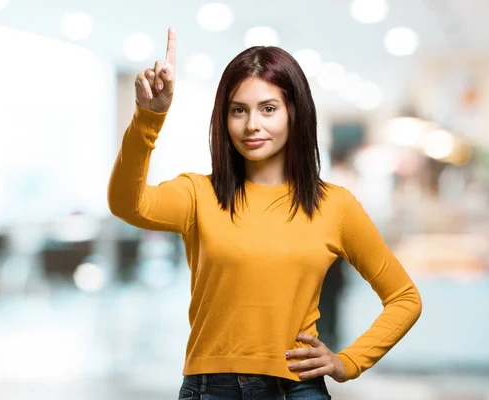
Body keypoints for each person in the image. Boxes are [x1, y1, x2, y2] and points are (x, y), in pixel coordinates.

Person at [108, 27, 422, 400]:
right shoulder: (198, 194)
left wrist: (348, 362)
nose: (252, 124)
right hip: (211, 389)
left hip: (297, 388)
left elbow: (404, 297)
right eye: (238, 110)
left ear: (295, 113)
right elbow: (126, 203)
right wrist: (148, 118)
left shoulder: (334, 206)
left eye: (268, 109)